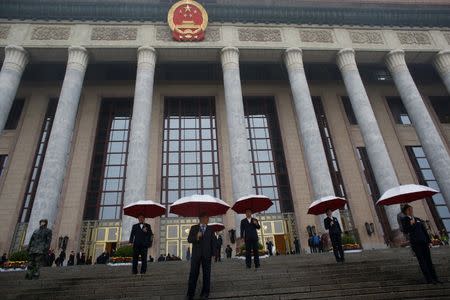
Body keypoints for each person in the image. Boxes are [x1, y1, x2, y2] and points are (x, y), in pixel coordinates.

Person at [401, 204, 442, 284]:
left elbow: (424, 231)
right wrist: (411, 224)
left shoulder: (417, 219)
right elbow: (405, 230)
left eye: (411, 209)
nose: (411, 211)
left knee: (429, 260)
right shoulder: (404, 219)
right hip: (416, 243)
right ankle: (429, 279)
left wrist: (429, 241)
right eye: (409, 209)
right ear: (406, 211)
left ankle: (435, 278)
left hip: (424, 242)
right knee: (422, 261)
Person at [186, 212, 217, 300]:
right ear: (202, 218)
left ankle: (205, 293)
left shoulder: (211, 229)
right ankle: (190, 294)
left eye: (208, 218)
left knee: (207, 274)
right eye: (207, 218)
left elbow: (213, 242)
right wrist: (196, 236)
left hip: (207, 255)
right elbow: (189, 239)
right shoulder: (194, 228)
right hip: (196, 255)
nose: (208, 219)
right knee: (193, 274)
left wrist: (214, 254)